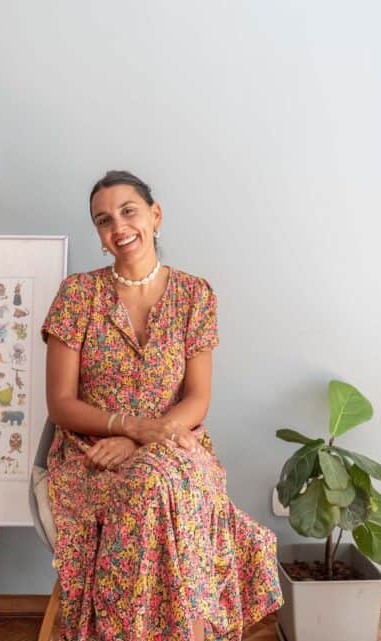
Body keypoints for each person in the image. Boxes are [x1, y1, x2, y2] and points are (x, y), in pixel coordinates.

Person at [40, 170, 283, 641]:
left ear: (155, 215)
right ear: (99, 234)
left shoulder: (194, 295)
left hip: (176, 446)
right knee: (158, 487)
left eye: (128, 211)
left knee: (158, 480)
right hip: (92, 455)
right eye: (104, 220)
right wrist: (131, 429)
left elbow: (198, 398)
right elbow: (61, 404)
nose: (119, 226)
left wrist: (143, 443)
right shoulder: (77, 295)